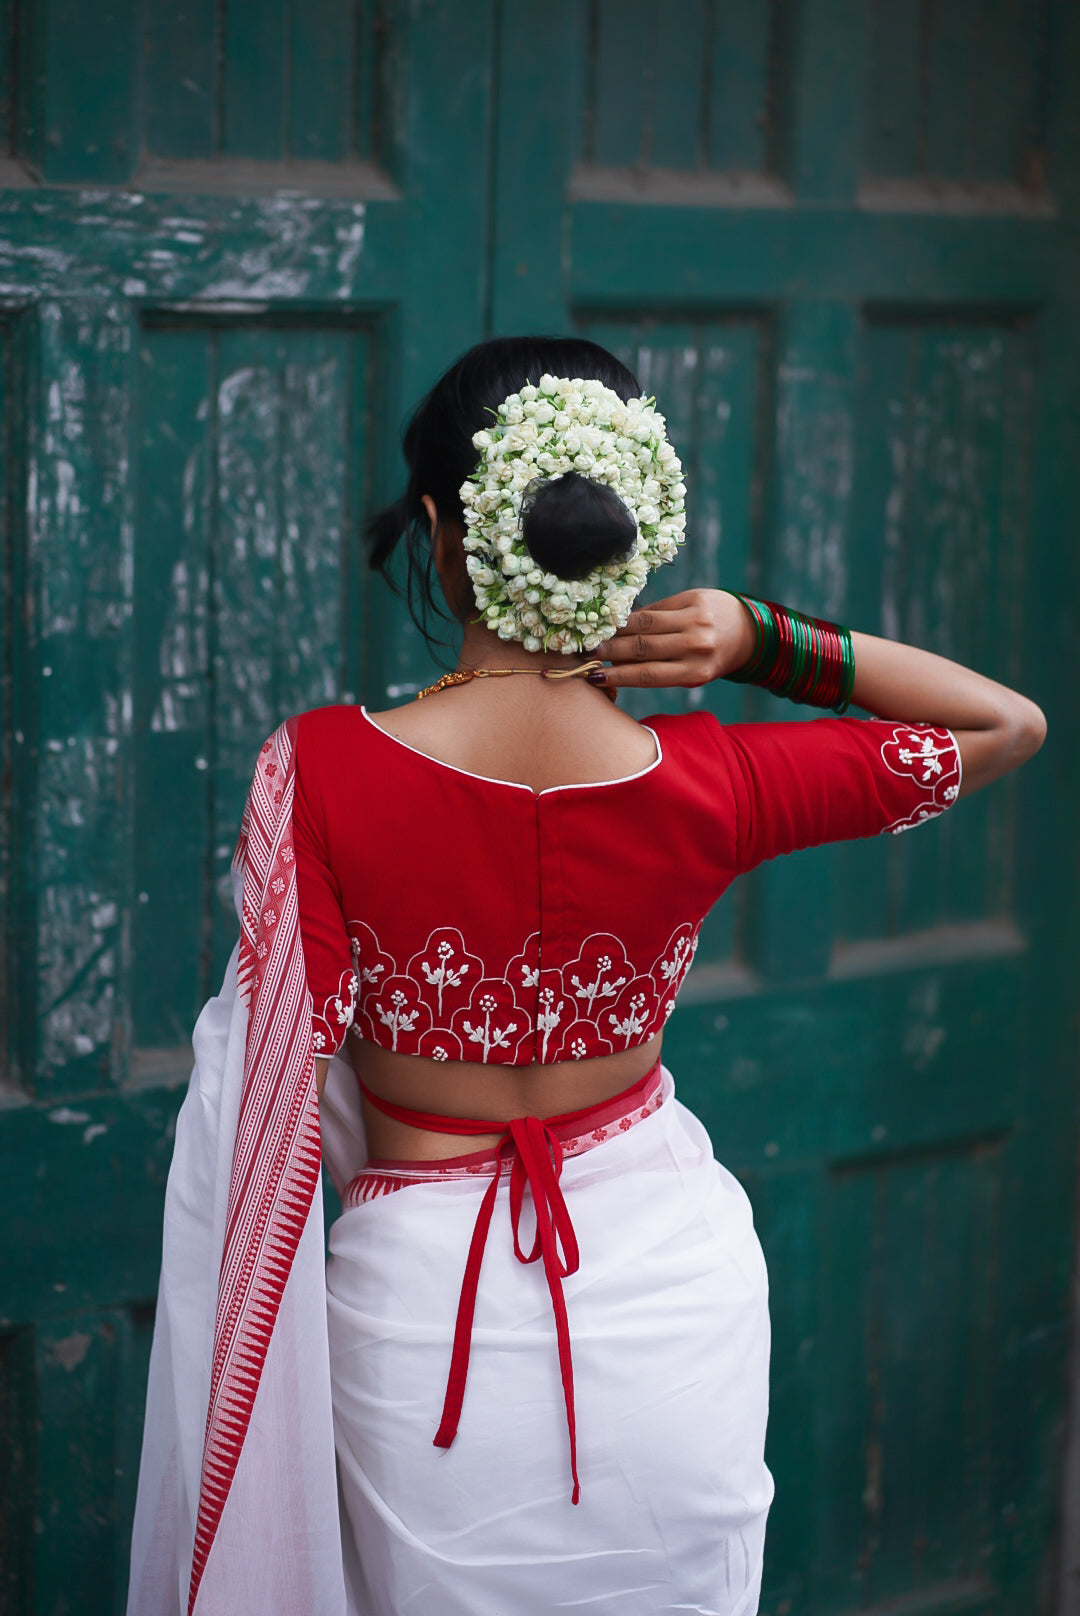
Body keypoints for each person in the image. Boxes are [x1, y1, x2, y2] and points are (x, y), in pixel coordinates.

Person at [127, 338, 1045, 1616]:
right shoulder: (712, 777)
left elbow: (280, 1089)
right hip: (672, 1295)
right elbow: (1005, 723)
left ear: (445, 534)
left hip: (423, 1322)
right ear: (625, 541)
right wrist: (757, 637)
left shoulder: (319, 774)